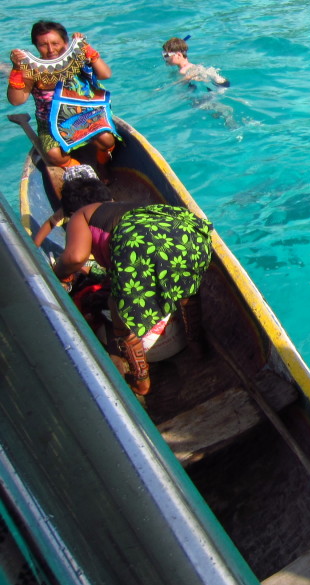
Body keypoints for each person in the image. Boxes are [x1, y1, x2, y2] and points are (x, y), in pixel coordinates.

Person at [47, 166, 213, 396]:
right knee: (185, 290)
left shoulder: (81, 215)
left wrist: (59, 274)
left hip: (139, 242)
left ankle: (142, 382)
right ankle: (197, 347)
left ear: (70, 209)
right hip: (184, 229)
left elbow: (74, 258)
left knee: (120, 309)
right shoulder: (122, 208)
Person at [7, 21, 118, 171]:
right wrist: (16, 70)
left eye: (55, 43)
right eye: (43, 45)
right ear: (35, 46)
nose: (51, 49)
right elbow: (16, 100)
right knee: (54, 155)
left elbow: (105, 74)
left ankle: (102, 165)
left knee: (107, 140)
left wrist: (87, 49)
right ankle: (83, 171)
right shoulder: (31, 69)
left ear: (65, 41)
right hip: (51, 123)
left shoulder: (76, 57)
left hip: (85, 114)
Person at [162, 37, 230, 88]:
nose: (164, 58)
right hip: (220, 84)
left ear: (179, 55)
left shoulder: (183, 70)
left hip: (217, 85)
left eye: (166, 55)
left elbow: (184, 81)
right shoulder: (189, 66)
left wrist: (164, 87)